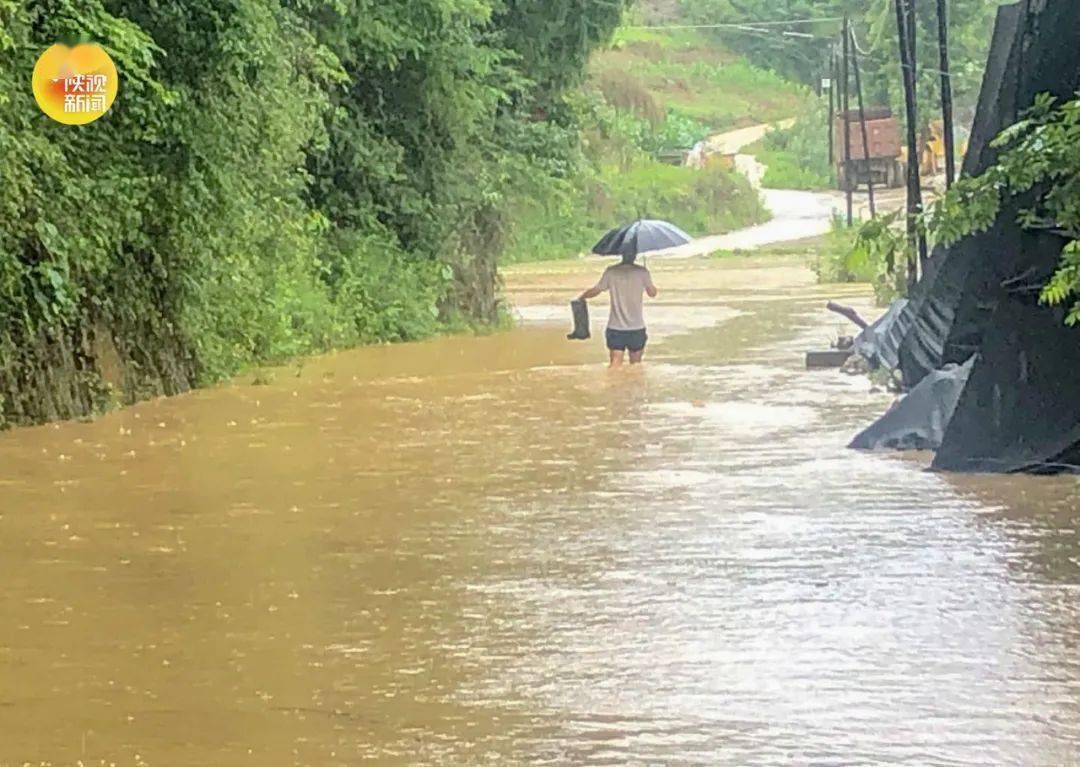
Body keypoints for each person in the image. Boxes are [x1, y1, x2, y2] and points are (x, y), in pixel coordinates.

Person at [577, 253, 658, 366]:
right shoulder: (642, 272)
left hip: (615, 327)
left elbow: (596, 290)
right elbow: (652, 293)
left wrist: (582, 297)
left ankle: (613, 384)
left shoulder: (611, 271)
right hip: (636, 327)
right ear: (634, 254)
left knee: (615, 364)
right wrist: (648, 280)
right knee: (635, 366)